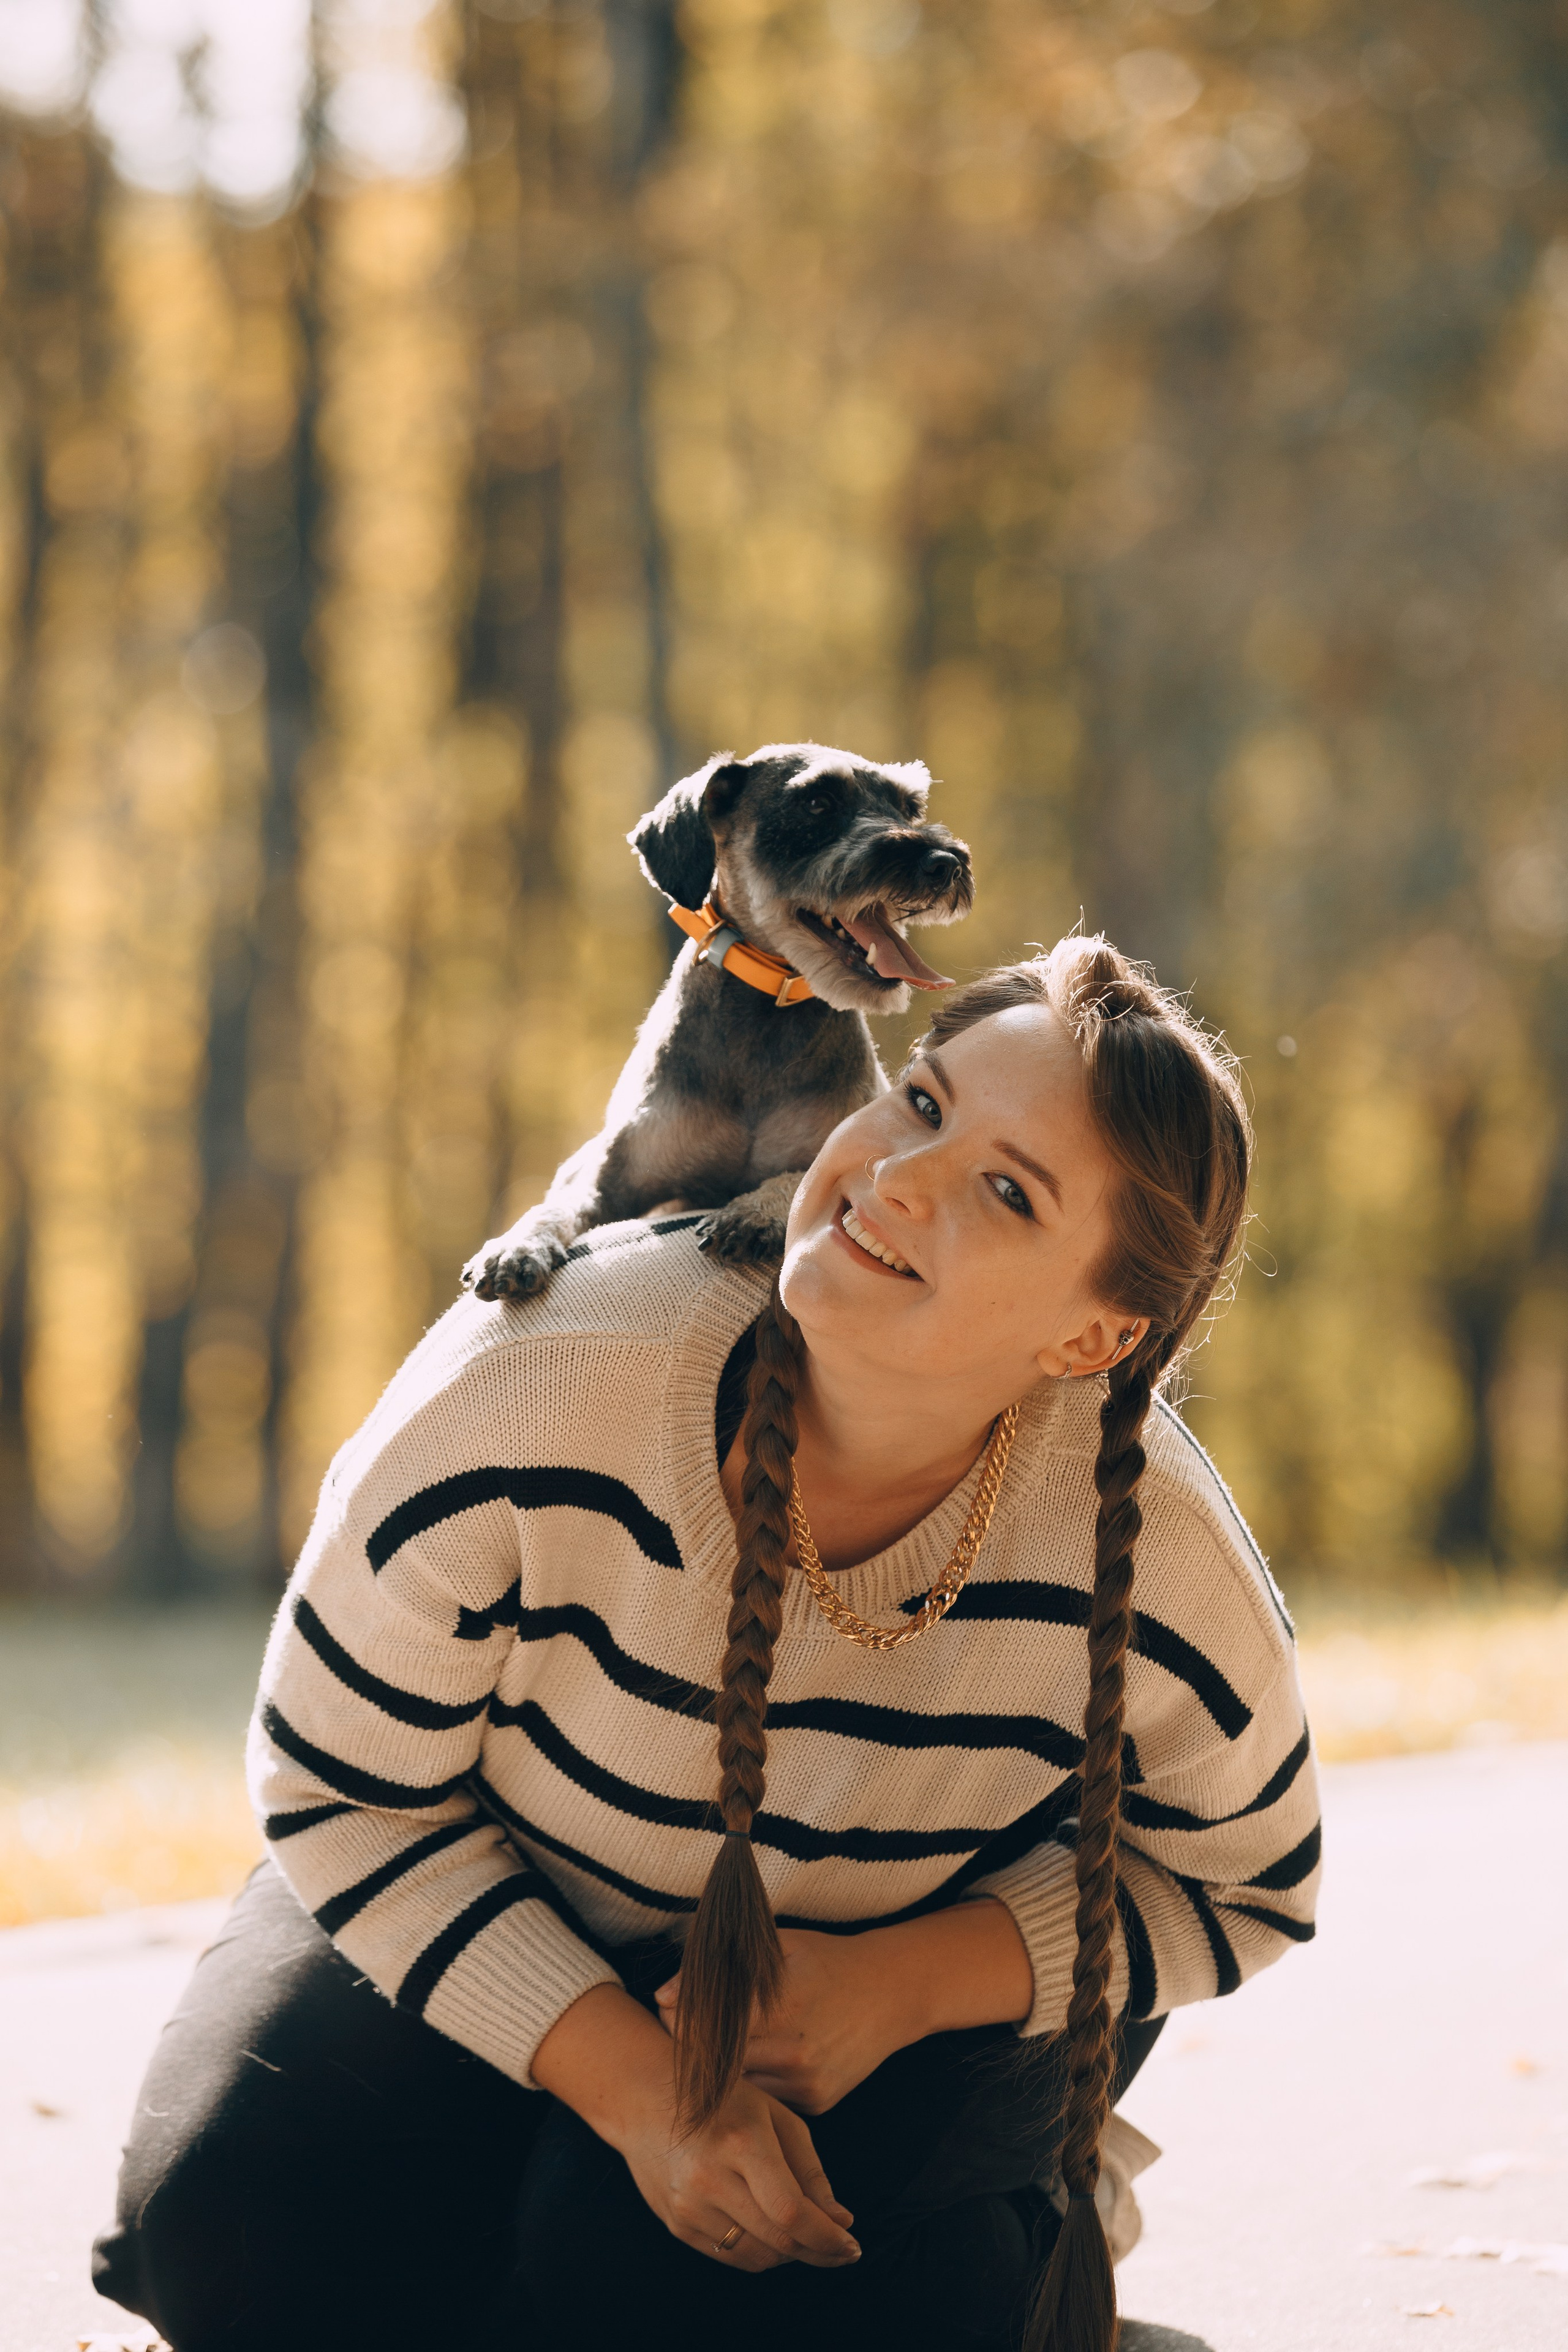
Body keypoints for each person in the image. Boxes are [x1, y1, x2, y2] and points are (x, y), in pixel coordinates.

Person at [94, 937, 1319, 2352]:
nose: (900, 1175)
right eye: (920, 1103)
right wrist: (623, 2081)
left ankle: (1031, 2228)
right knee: (226, 2240)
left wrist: (898, 1986)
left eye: (1006, 1190)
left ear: (1095, 1336)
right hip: (503, 1885)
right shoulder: (538, 1371)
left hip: (890, 1991)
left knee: (641, 2273)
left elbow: (1248, 1885)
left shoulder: (1154, 1542)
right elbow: (337, 1786)